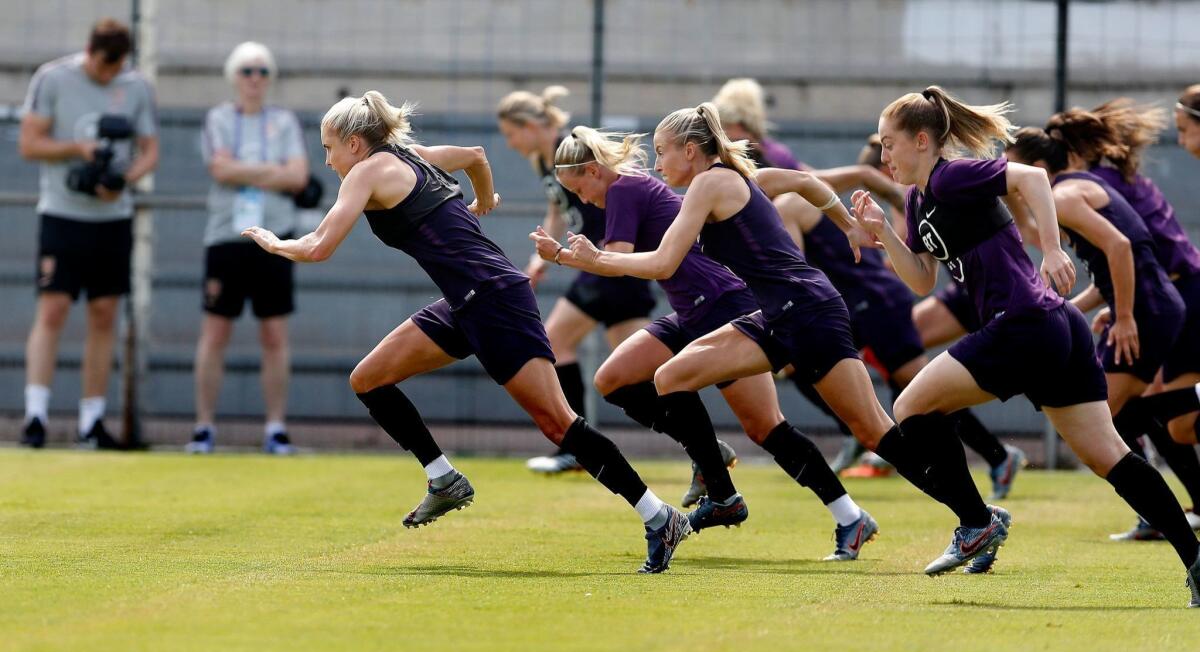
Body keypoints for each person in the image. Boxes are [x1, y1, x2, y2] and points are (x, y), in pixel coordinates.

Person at [242, 90, 690, 574]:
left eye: (328, 148)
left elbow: (319, 246)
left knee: (558, 424)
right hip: (466, 301)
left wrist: (275, 243)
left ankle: (659, 516)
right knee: (368, 379)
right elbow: (475, 156)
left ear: (354, 143)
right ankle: (443, 479)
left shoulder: (369, 170)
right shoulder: (411, 156)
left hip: (494, 298)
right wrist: (481, 197)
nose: (326, 161)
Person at [555, 102, 1009, 576]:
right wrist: (846, 225)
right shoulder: (737, 178)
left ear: (691, 151)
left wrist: (592, 261)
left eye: (664, 151)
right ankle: (722, 493)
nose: (658, 161)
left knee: (874, 431)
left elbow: (664, 263)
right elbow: (810, 184)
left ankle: (976, 518)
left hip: (807, 312)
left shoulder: (709, 182)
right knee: (672, 376)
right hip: (782, 313)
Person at [851, 86, 1199, 604]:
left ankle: (976, 523)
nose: (884, 157)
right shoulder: (920, 197)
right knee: (1109, 455)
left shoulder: (952, 175)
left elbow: (1033, 177)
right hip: (1053, 326)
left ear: (922, 140)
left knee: (909, 407)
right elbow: (922, 279)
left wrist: (1055, 249)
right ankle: (1196, 559)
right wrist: (884, 235)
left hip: (1022, 324)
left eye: (889, 145)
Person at [536, 126, 878, 560]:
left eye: (579, 188)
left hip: (723, 304)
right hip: (692, 310)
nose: (583, 200)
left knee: (765, 426)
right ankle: (710, 460)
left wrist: (568, 257)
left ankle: (847, 515)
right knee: (613, 379)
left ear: (593, 170)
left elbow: (618, 260)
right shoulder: (639, 189)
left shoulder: (623, 189)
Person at [782, 134, 1026, 495]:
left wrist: (905, 213)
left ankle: (997, 455)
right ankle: (860, 432)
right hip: (857, 305)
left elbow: (795, 272)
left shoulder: (788, 204)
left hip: (878, 302)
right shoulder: (795, 200)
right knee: (797, 364)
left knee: (921, 391)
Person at [1007, 109, 1200, 541]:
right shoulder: (1074, 189)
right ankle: (1169, 509)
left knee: (1100, 420)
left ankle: (1162, 516)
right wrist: (1095, 305)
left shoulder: (1064, 195)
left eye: (1011, 167)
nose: (1006, 176)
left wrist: (1128, 314)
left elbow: (1121, 245)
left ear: (1036, 169)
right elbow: (1112, 264)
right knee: (1138, 414)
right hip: (1152, 307)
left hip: (1149, 311)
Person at [497, 87, 670, 474]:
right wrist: (538, 259)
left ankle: (576, 447)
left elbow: (612, 193)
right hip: (606, 265)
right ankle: (704, 443)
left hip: (606, 261)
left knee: (557, 342)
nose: (510, 143)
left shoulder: (570, 150)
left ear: (529, 125)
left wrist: (572, 253)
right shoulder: (545, 161)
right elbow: (557, 209)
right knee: (644, 371)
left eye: (511, 133)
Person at [17, 18, 159, 449]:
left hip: (111, 218)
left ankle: (91, 422)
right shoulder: (53, 77)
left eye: (115, 67)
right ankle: (36, 416)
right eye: (102, 65)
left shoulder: (136, 87)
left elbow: (150, 150)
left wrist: (124, 179)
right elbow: (29, 143)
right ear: (89, 51)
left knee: (103, 315)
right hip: (62, 214)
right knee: (54, 309)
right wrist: (77, 150)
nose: (107, 74)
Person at [186, 42, 309, 455]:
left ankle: (275, 426)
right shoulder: (219, 118)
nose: (254, 79)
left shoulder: (285, 121)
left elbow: (299, 176)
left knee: (274, 333)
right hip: (226, 235)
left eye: (261, 71)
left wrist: (247, 171)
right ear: (234, 77)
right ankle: (203, 426)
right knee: (215, 330)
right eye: (246, 71)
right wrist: (273, 172)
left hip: (275, 238)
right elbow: (219, 169)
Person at [1085, 98, 1200, 537]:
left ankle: (1164, 510)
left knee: (1133, 409)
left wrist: (1125, 311)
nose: (1180, 137)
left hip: (1180, 294)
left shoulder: (1096, 183)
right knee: (1176, 421)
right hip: (1179, 291)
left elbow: (1130, 253)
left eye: (1185, 128)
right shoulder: (1115, 178)